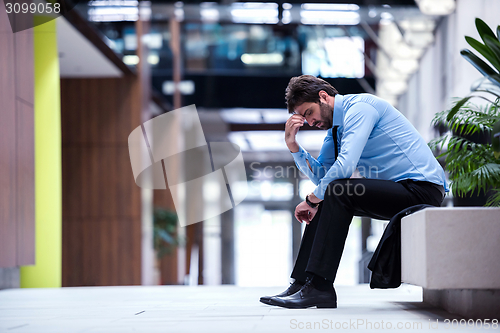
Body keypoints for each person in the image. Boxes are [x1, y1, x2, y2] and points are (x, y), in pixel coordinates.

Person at [259, 75, 447, 309]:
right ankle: (303, 283)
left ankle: (320, 287)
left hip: (422, 190)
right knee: (332, 192)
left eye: (308, 113)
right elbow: (323, 178)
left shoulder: (361, 108)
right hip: (400, 191)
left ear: (323, 97)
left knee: (336, 190)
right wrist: (294, 148)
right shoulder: (335, 130)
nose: (309, 122)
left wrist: (310, 199)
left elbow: (345, 167)